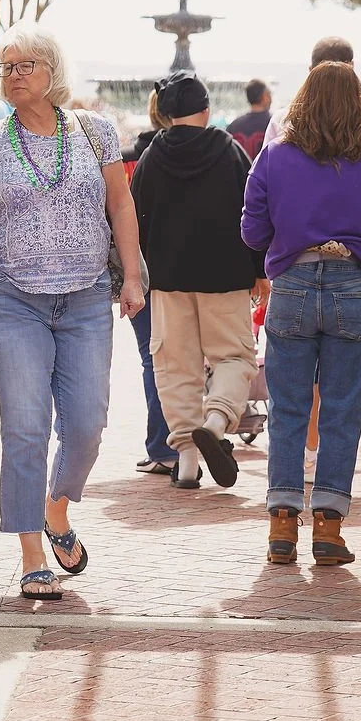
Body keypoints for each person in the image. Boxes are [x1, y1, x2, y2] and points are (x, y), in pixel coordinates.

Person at [0, 24, 145, 601]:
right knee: (25, 426)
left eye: (25, 64)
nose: (13, 74)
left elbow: (121, 205)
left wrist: (132, 274)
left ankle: (57, 509)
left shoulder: (96, 133)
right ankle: (33, 552)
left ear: (52, 72)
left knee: (86, 423)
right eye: (6, 67)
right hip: (11, 302)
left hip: (84, 299)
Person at [243, 61, 361, 566]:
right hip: (352, 284)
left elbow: (252, 231)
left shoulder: (275, 157)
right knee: (342, 409)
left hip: (293, 284)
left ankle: (281, 525)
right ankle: (328, 528)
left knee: (290, 408)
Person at [270, 38, 361, 493]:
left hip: (295, 268)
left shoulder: (282, 129)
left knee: (298, 379)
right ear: (354, 73)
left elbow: (256, 212)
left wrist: (270, 251)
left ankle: (292, 491)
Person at [132, 71, 267, 490]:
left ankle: (187, 460)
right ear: (206, 110)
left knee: (174, 365)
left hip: (168, 281)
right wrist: (259, 268)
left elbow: (135, 218)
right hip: (225, 276)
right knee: (233, 357)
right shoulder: (227, 151)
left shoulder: (153, 156)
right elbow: (253, 212)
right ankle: (217, 417)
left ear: (166, 114)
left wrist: (136, 276)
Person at [123, 91, 175, 477]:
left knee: (151, 358)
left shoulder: (127, 158)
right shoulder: (193, 153)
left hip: (138, 273)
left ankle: (162, 445)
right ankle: (184, 439)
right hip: (184, 273)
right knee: (184, 359)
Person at [224, 78, 274, 160]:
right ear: (265, 96)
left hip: (240, 172)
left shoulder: (233, 126)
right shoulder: (274, 124)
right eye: (269, 94)